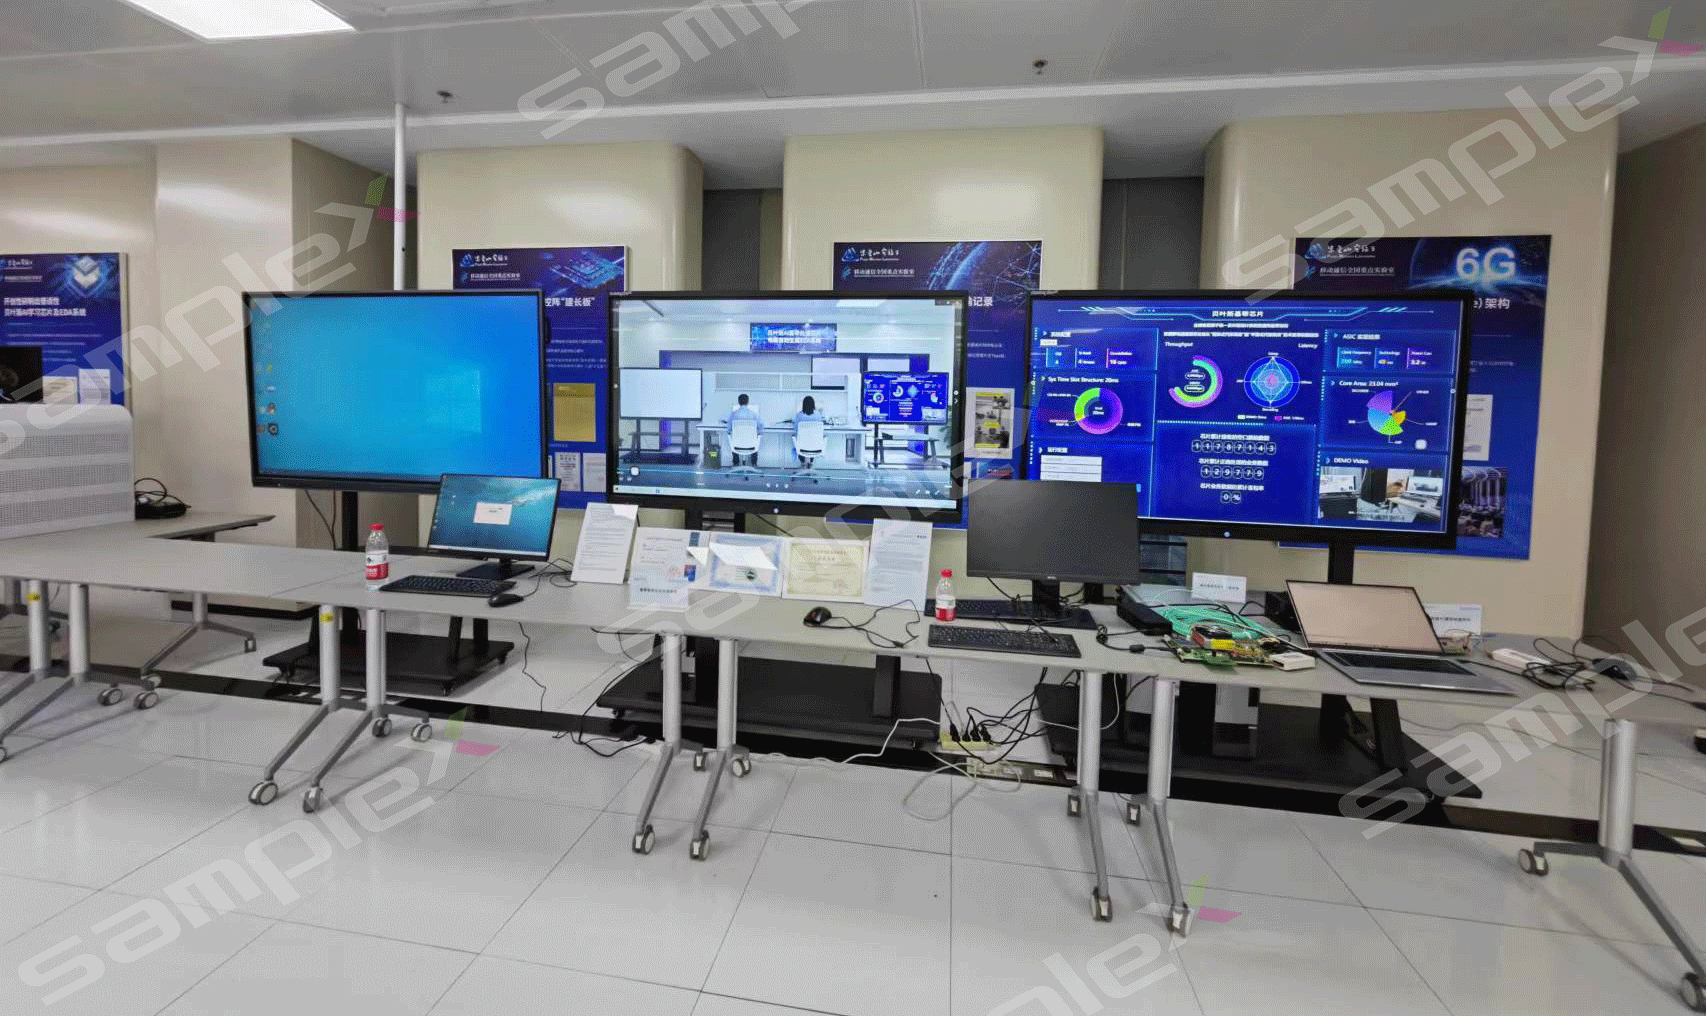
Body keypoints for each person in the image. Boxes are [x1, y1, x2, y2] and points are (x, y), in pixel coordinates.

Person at [726, 393, 763, 467]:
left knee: (733, 438)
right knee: (756, 439)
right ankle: (754, 464)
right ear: (748, 402)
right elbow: (761, 426)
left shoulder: (733, 414)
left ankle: (736, 463)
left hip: (737, 445)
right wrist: (758, 434)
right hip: (751, 445)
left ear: (738, 402)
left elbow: (729, 429)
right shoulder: (754, 414)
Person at [791, 396, 825, 468]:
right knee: (811, 443)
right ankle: (809, 462)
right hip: (815, 446)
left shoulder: (799, 416)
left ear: (803, 405)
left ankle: (804, 462)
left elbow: (795, 430)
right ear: (813, 405)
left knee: (797, 441)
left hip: (801, 447)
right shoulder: (818, 416)